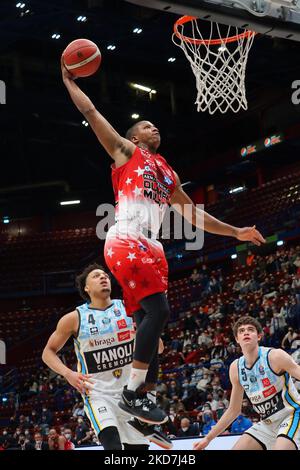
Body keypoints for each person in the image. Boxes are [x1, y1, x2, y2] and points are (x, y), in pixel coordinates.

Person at [60, 56, 265, 424]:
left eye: (156, 125)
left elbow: (194, 214)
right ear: (135, 137)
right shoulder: (127, 153)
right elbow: (92, 113)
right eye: (146, 125)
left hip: (151, 246)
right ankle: (132, 391)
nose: (154, 128)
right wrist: (71, 83)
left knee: (147, 323)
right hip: (125, 237)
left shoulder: (168, 172)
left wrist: (236, 232)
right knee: (160, 311)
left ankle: (142, 394)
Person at [42, 264, 171, 450]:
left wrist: (145, 331)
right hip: (98, 393)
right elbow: (48, 352)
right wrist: (68, 373)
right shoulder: (74, 318)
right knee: (113, 446)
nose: (103, 278)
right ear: (86, 288)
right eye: (96, 276)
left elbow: (158, 349)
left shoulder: (130, 308)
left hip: (132, 396)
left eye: (105, 276)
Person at [194, 316, 300, 450]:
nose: (246, 332)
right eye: (241, 331)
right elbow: (233, 409)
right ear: (237, 339)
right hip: (267, 423)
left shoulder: (275, 356)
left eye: (250, 330)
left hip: (292, 415)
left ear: (259, 336)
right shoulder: (235, 368)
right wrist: (208, 439)